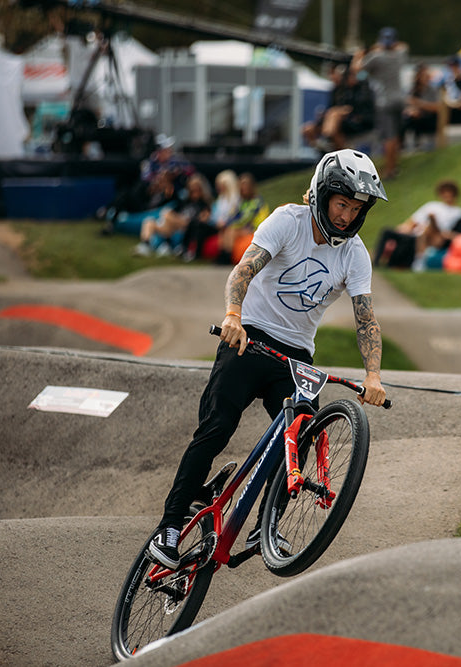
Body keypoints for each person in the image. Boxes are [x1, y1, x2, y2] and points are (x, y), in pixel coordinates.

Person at [147, 149, 389, 569]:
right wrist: (233, 316)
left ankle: (267, 521)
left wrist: (373, 375)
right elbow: (243, 270)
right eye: (341, 204)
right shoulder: (287, 222)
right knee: (217, 427)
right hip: (249, 338)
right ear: (322, 194)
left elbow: (365, 317)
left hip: (295, 354)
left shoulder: (354, 254)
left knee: (302, 430)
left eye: (355, 208)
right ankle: (168, 527)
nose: (347, 216)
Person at [354, 27, 409, 180]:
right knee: (396, 136)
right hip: (399, 99)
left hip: (385, 102)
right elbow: (404, 46)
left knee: (389, 137)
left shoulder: (376, 56)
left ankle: (389, 170)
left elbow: (358, 69)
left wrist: (360, 54)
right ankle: (395, 166)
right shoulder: (400, 54)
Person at [373, 179, 461, 268]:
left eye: (449, 192)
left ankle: (397, 265)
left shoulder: (458, 212)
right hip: (415, 232)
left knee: (411, 239)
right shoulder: (432, 205)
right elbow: (413, 221)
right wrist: (403, 228)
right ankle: (376, 262)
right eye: (444, 192)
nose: (446, 195)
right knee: (387, 232)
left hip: (433, 237)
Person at [134, 172, 212, 257]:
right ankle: (146, 245)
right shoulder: (185, 201)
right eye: (192, 189)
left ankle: (167, 244)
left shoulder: (204, 205)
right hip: (174, 225)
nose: (193, 191)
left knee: (167, 216)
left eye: (196, 189)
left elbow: (202, 220)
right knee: (149, 222)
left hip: (188, 226)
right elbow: (174, 210)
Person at [416, 186, 461, 267]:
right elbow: (452, 231)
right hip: (447, 243)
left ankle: (421, 261)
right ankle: (420, 259)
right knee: (427, 229)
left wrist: (452, 236)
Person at [183, 169, 239, 263]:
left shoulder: (235, 199)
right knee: (195, 223)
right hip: (215, 223)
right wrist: (208, 217)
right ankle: (185, 248)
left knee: (201, 226)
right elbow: (215, 214)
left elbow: (234, 215)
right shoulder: (221, 199)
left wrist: (222, 222)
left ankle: (198, 253)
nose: (219, 187)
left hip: (225, 225)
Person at [215, 172, 270, 265]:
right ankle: (222, 254)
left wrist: (231, 224)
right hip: (242, 227)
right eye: (242, 185)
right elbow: (232, 215)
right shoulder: (241, 202)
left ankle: (228, 256)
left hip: (253, 229)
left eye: (246, 185)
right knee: (225, 230)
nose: (243, 188)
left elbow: (246, 218)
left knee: (232, 231)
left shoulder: (257, 202)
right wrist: (226, 223)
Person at [402, 63, 441, 151]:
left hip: (429, 117)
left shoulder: (432, 90)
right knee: (405, 118)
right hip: (415, 116)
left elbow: (436, 107)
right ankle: (402, 145)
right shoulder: (412, 90)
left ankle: (418, 144)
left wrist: (420, 104)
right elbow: (406, 104)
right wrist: (411, 110)